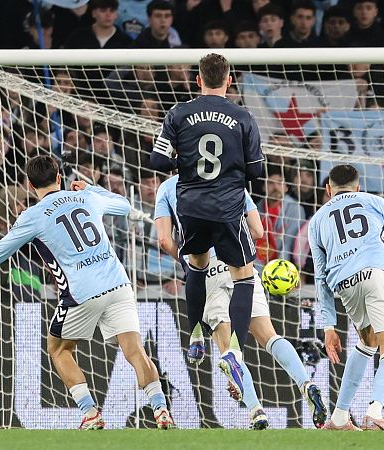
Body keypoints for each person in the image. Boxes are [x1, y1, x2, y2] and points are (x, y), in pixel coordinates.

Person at [0, 155, 175, 430]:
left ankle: (90, 412)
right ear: (59, 178)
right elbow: (125, 205)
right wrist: (91, 188)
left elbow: (1, 250)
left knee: (58, 349)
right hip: (119, 284)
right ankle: (161, 409)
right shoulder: (87, 198)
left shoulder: (32, 216)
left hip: (82, 292)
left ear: (31, 185)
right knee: (135, 350)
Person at [153, 175, 327, 430]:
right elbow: (257, 231)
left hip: (205, 267)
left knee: (228, 349)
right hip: (240, 262)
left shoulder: (168, 187)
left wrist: (189, 263)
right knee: (269, 336)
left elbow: (164, 240)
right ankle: (306, 383)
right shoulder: (231, 179)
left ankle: (256, 411)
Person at [149, 53, 265, 401]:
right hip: (228, 207)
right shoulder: (243, 116)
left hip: (191, 205)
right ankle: (234, 350)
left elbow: (157, 160)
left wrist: (184, 161)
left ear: (197, 80)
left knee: (197, 265)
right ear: (229, 80)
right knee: (243, 275)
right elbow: (256, 170)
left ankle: (196, 330)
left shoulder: (178, 114)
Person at [309, 164, 384, 431]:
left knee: (368, 340)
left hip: (345, 285)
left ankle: (339, 417)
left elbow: (320, 277)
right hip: (376, 275)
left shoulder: (316, 220)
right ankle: (375, 411)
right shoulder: (375, 201)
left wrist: (329, 326)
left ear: (328, 190)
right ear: (358, 187)